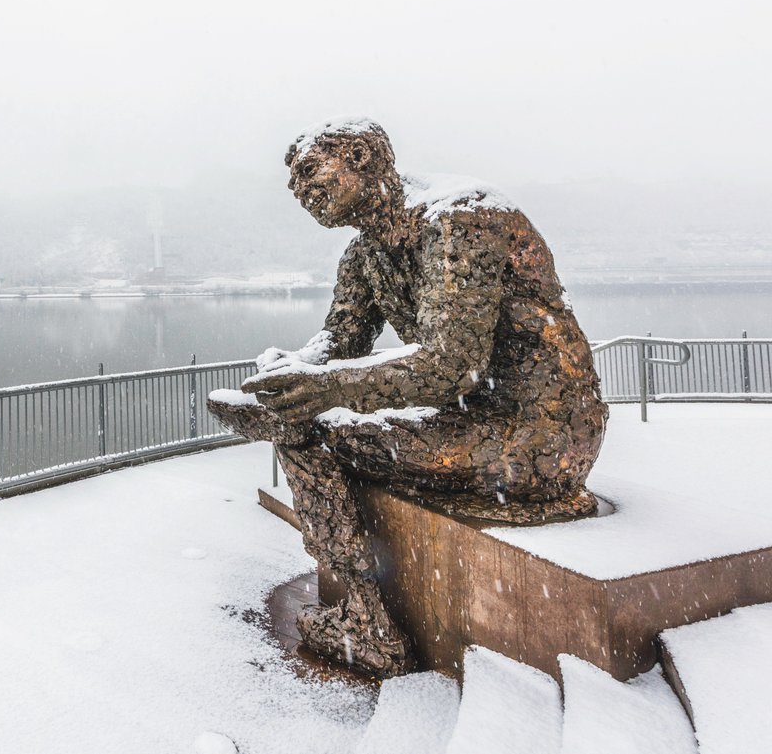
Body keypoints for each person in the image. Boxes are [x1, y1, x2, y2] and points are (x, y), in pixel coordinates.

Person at [207, 117, 607, 675]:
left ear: (364, 160)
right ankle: (365, 616)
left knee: (316, 433)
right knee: (298, 425)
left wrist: (323, 389)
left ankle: (367, 625)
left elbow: (453, 367)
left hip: (542, 431)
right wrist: (287, 374)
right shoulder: (364, 256)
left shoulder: (461, 219)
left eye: (309, 172)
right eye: (294, 182)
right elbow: (339, 342)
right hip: (471, 418)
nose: (301, 191)